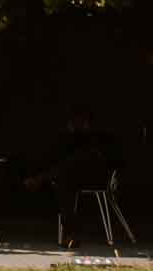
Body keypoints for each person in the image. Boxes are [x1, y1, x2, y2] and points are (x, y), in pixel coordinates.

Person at [24, 106, 121, 249]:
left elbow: (104, 161)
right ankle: (70, 232)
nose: (78, 126)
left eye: (80, 122)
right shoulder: (74, 140)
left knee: (68, 169)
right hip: (76, 178)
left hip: (98, 179)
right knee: (64, 181)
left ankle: (40, 180)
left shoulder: (100, 139)